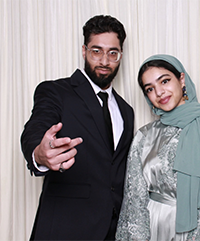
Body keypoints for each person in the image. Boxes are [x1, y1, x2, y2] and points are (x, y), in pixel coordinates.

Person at [20, 15, 134, 241]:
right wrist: (40, 154)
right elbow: (37, 129)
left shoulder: (126, 110)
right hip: (65, 227)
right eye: (96, 51)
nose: (104, 60)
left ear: (120, 55)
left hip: (112, 231)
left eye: (113, 53)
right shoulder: (56, 92)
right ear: (84, 51)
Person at [115, 54, 200, 240]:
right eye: (150, 89)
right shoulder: (144, 136)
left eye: (165, 81)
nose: (159, 92)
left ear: (182, 79)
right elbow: (134, 201)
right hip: (152, 226)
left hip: (192, 231)